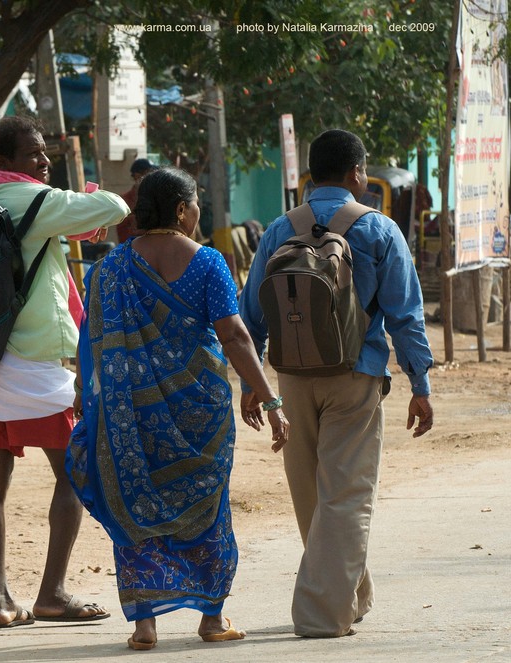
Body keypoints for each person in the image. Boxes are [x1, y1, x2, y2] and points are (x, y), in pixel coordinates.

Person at [67, 167, 289, 650]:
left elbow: (93, 344)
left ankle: (145, 624)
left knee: (137, 504)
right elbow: (234, 335)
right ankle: (211, 619)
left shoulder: (109, 269)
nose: (198, 213)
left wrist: (89, 401)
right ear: (182, 209)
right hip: (200, 411)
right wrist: (269, 399)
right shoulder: (208, 264)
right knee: (209, 507)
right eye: (196, 205)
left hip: (129, 416)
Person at [238, 129, 434, 638]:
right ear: (355, 174)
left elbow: (252, 316)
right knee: (345, 495)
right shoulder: (380, 230)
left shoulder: (280, 229)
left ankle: (352, 594)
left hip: (292, 378)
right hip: (356, 376)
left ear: (309, 174)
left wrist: (253, 383)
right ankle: (322, 615)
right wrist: (420, 382)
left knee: (310, 493)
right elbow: (405, 315)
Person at [0, 115, 129, 628]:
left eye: (44, 152)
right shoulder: (35, 200)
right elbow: (115, 207)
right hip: (32, 364)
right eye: (34, 154)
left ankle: (1, 599)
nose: (44, 162)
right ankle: (52, 591)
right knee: (73, 473)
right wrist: (85, 189)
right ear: (4, 163)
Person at [116, 158, 158, 243]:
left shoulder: (155, 197)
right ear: (137, 175)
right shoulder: (124, 201)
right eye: (149, 172)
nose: (153, 176)